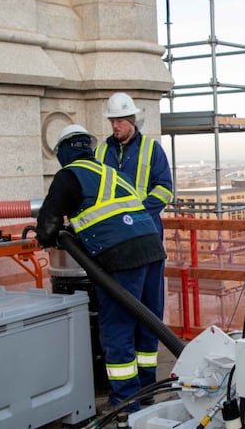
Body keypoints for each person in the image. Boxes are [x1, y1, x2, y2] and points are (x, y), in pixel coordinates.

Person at [36, 124, 166, 410]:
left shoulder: (68, 176)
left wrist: (49, 236)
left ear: (63, 152)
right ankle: (147, 390)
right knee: (147, 321)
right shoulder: (111, 172)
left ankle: (125, 401)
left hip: (121, 257)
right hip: (153, 248)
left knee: (117, 327)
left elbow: (48, 224)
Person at [95, 93, 173, 241]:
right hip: (112, 231)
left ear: (131, 120)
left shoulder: (151, 149)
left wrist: (137, 215)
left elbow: (164, 190)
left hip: (145, 229)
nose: (115, 125)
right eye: (112, 120)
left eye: (119, 120)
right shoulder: (101, 151)